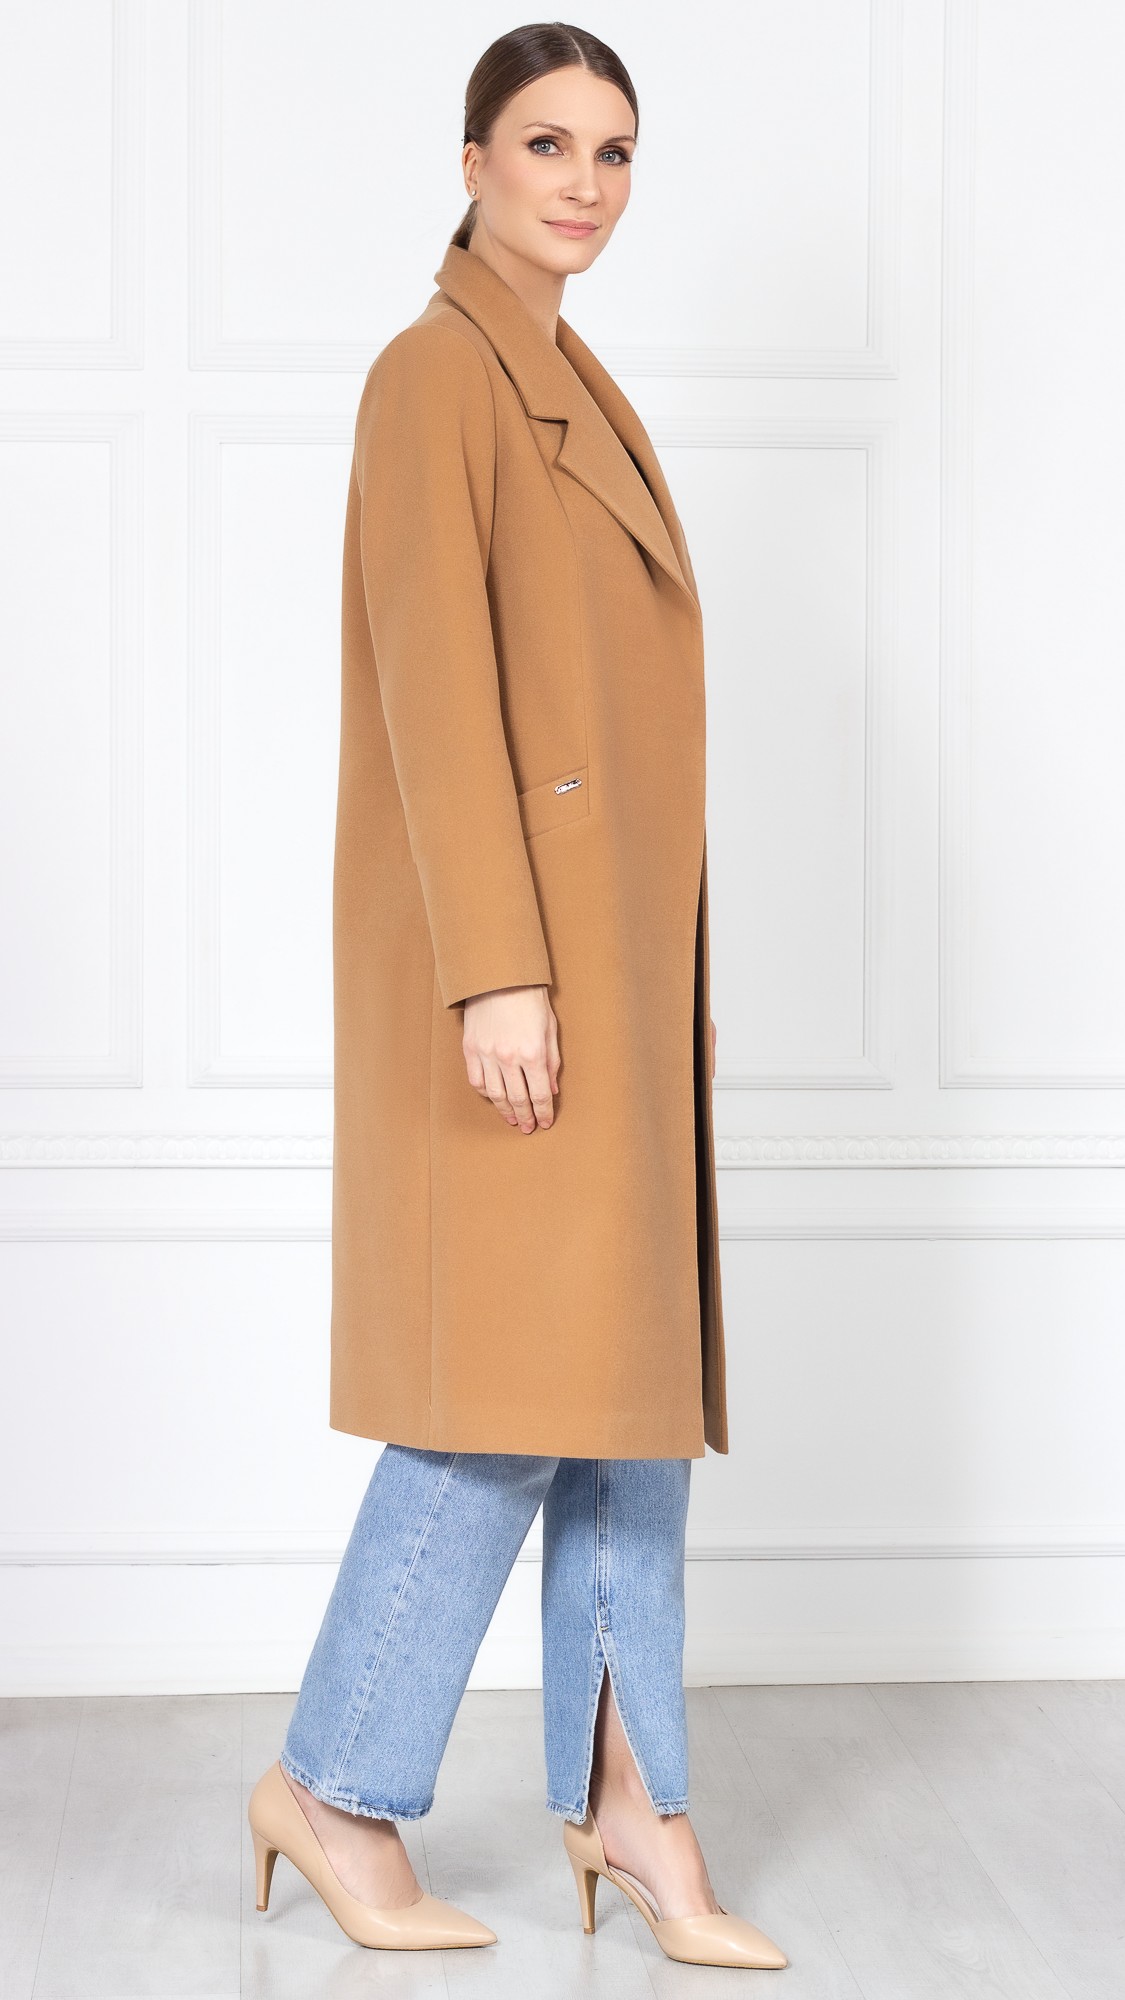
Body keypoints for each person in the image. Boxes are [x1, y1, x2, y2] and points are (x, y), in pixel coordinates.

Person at [248, 21, 788, 1974]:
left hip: (610, 976)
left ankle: (633, 1799)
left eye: (614, 151)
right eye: (546, 143)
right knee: (497, 1401)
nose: (583, 181)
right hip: (518, 979)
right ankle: (333, 1787)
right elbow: (431, 686)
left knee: (623, 1394)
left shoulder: (568, 376)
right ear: (469, 158)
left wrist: (628, 977)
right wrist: (495, 970)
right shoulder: (436, 376)